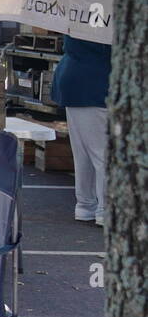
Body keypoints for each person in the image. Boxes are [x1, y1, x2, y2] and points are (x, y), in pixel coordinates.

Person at [50, 35, 110, 228]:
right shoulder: (110, 14)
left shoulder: (80, 10)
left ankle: (86, 205)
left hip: (75, 80)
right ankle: (105, 210)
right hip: (98, 83)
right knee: (105, 155)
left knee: (84, 153)